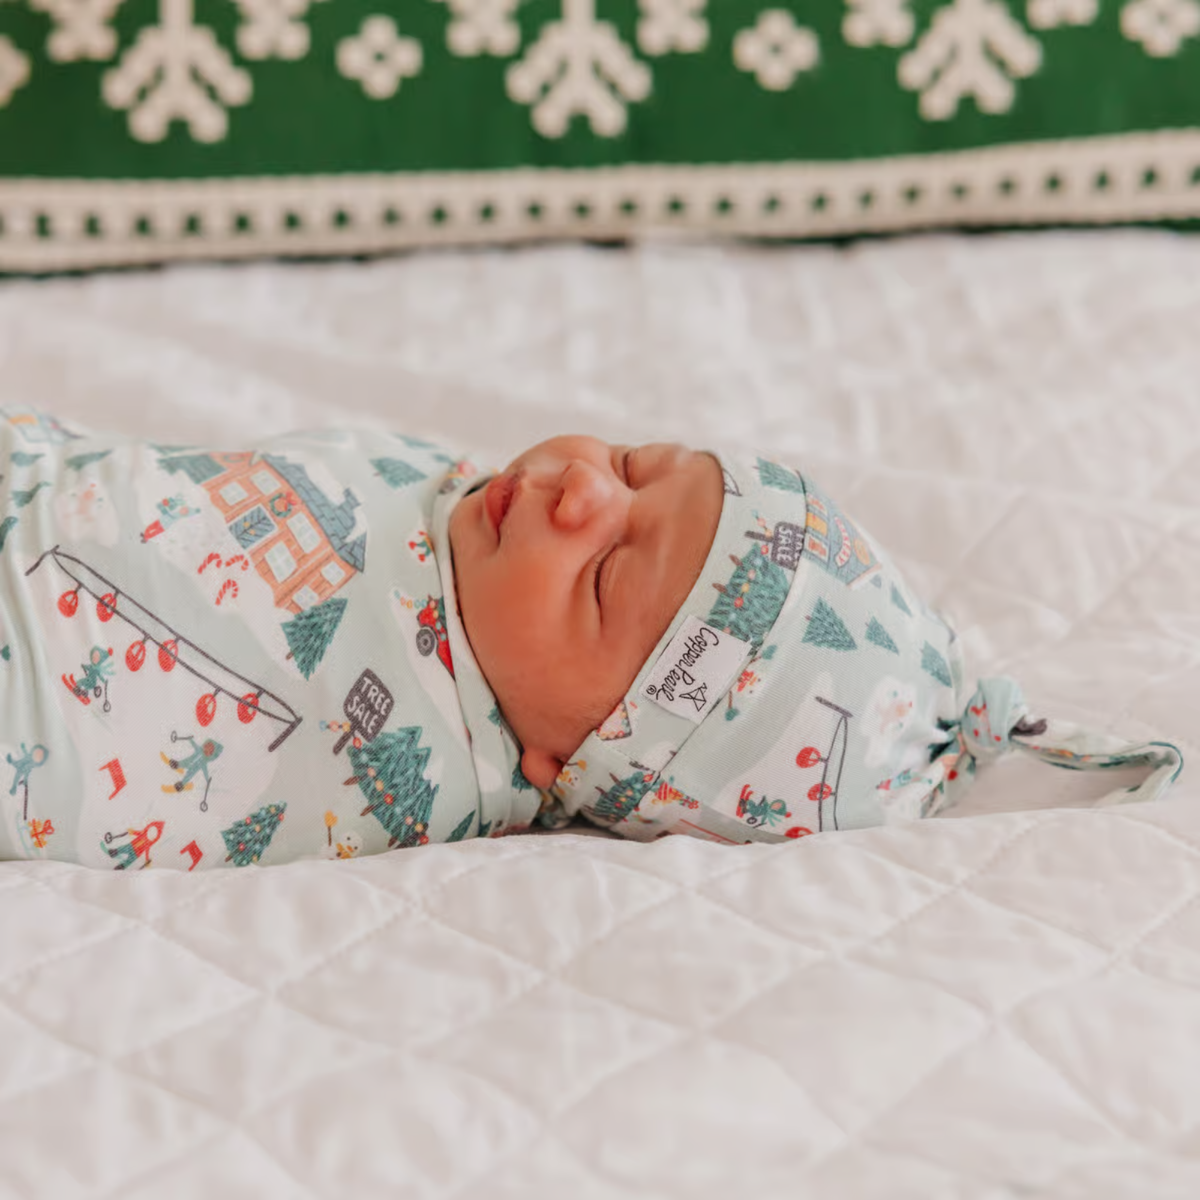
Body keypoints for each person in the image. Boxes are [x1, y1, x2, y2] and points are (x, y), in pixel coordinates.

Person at [0, 409, 1182, 869]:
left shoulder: (415, 762)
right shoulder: (464, 510)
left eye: (608, 575)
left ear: (579, 764)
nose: (579, 491)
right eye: (633, 468)